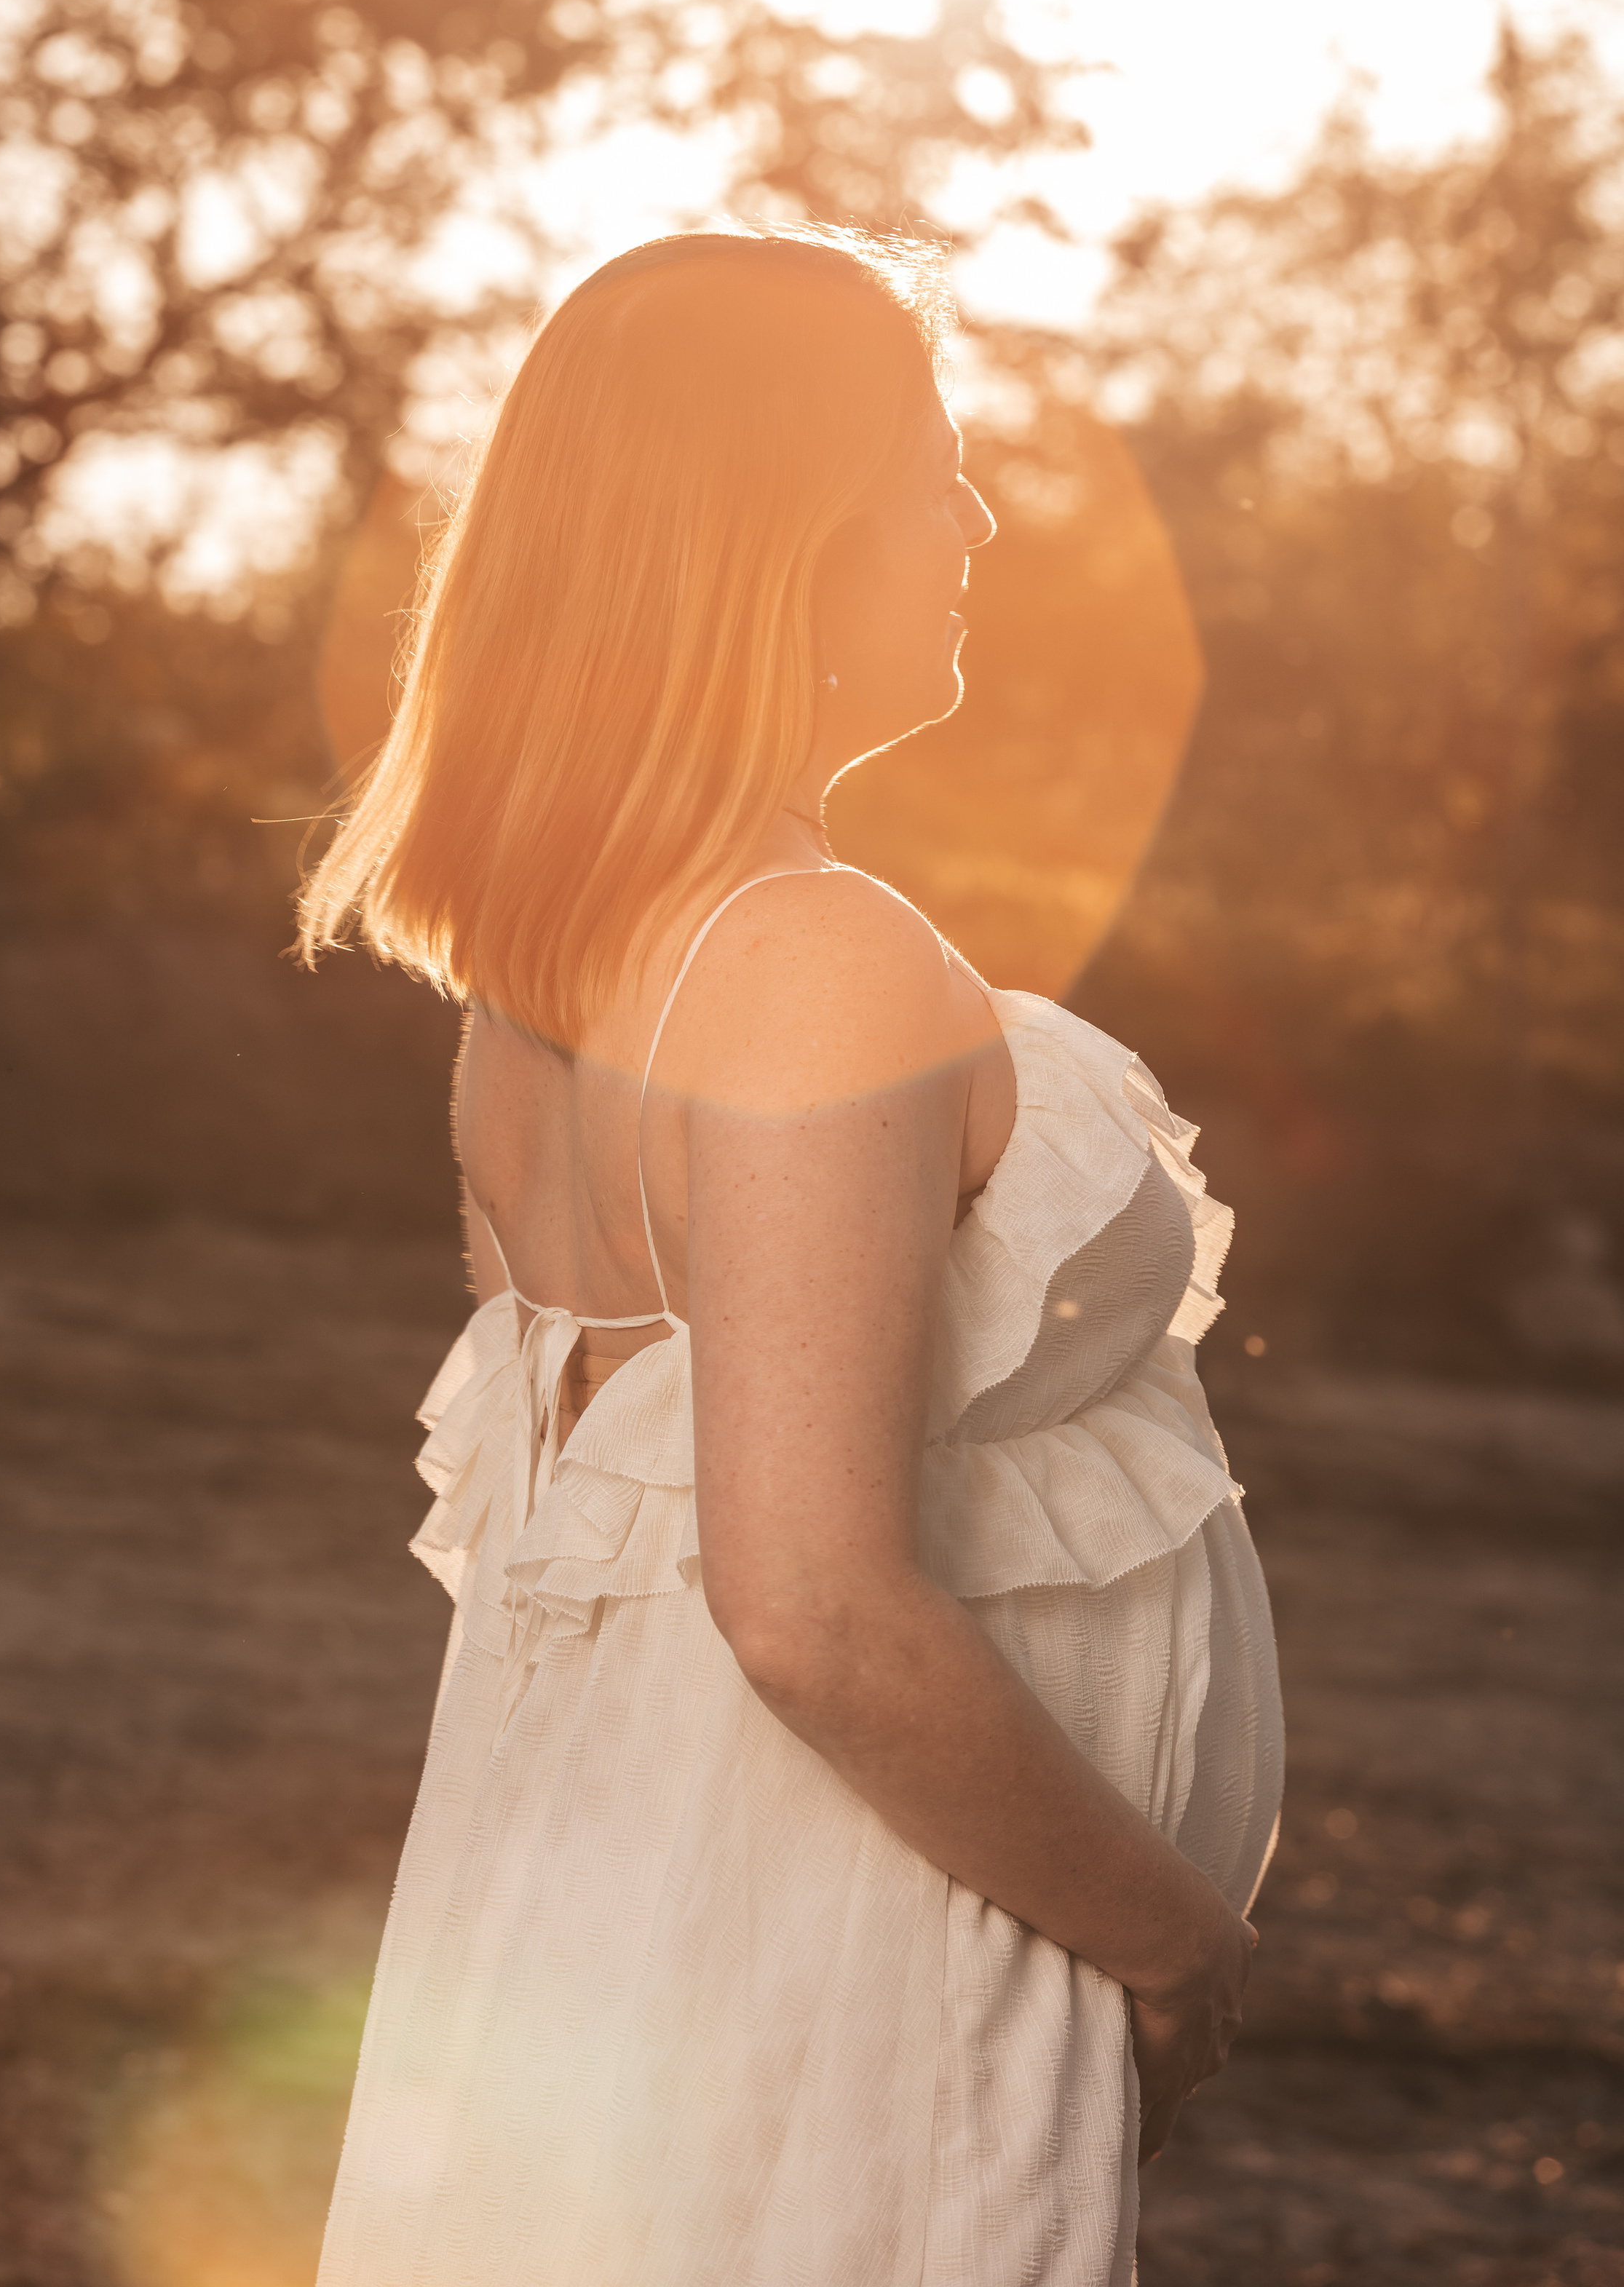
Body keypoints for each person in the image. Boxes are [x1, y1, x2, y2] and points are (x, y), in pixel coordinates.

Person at [297, 225, 1283, 2287]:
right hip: (846, 1941)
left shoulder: (552, 993)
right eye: (931, 466)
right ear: (778, 534)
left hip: (652, 1910)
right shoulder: (799, 963)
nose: (975, 517)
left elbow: (588, 1560)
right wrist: (1164, 1934)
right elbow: (807, 1606)